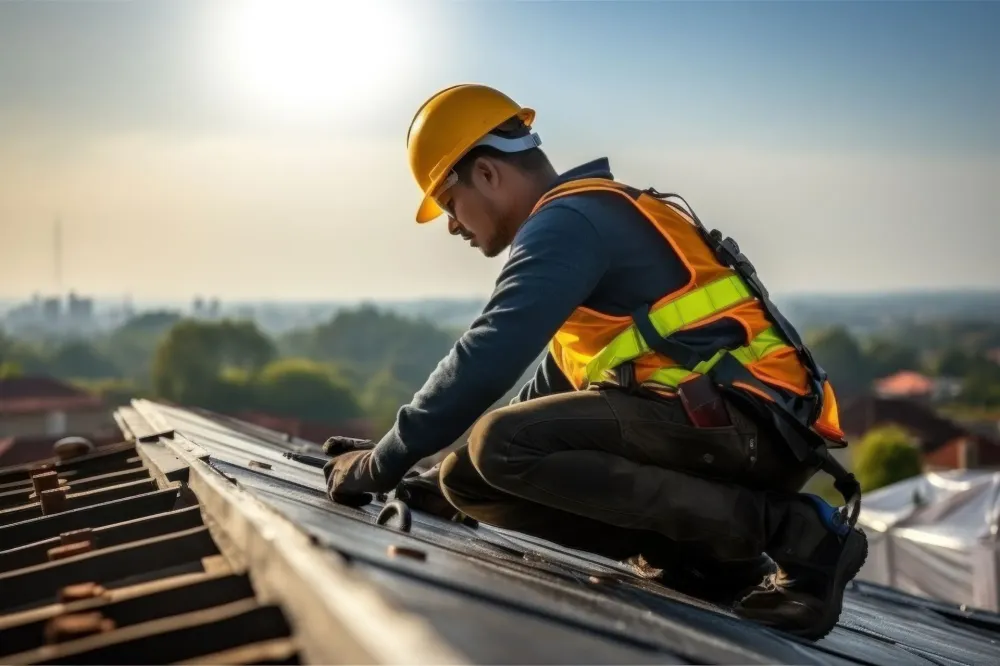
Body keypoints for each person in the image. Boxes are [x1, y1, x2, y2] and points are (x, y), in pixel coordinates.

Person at [323, 83, 867, 640]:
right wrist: (429, 478)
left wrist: (379, 464)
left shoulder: (569, 222)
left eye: (447, 202)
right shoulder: (582, 225)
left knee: (501, 446)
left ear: (487, 174)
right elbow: (545, 399)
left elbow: (487, 354)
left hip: (750, 423)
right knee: (471, 479)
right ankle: (708, 558)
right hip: (728, 428)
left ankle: (798, 535)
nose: (452, 225)